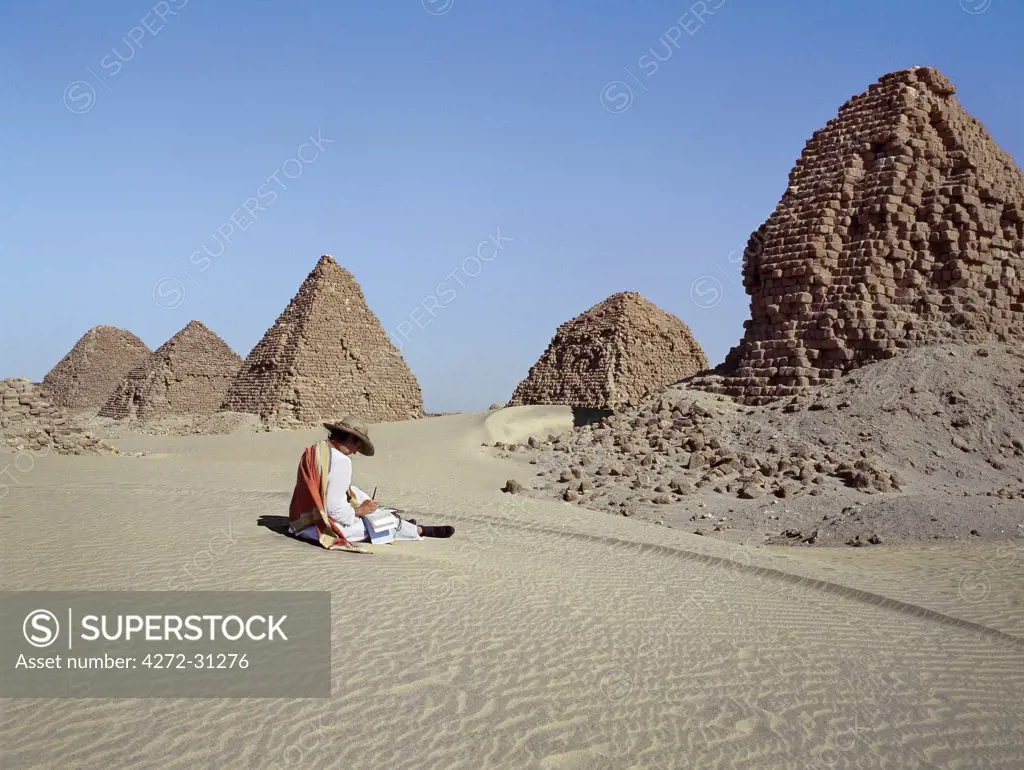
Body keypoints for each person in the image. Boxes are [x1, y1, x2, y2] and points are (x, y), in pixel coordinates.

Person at [288, 415, 454, 550]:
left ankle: (399, 522)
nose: (356, 451)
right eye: (358, 445)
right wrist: (359, 511)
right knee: (381, 526)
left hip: (299, 522)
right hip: (318, 529)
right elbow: (334, 509)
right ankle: (417, 529)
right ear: (351, 438)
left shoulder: (316, 450)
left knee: (355, 492)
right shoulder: (341, 461)